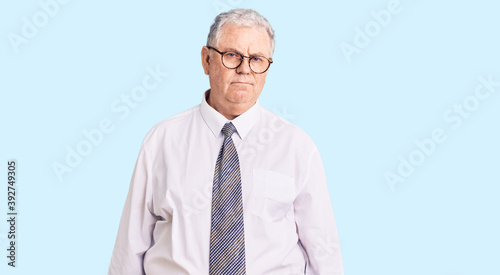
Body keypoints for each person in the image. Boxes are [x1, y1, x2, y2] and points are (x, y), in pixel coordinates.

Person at [108, 8, 344, 275]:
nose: (245, 69)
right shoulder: (162, 141)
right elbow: (130, 248)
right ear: (206, 60)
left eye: (257, 59)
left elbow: (324, 254)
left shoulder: (297, 147)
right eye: (232, 55)